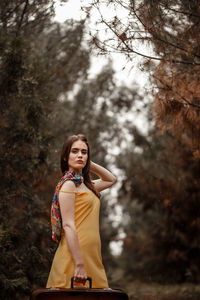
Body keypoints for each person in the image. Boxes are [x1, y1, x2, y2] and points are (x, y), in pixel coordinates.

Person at [46, 134, 117, 289]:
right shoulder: (69, 185)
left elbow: (111, 179)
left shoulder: (87, 185)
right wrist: (79, 264)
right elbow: (68, 226)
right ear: (65, 157)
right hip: (74, 259)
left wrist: (87, 163)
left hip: (92, 257)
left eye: (84, 152)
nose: (80, 155)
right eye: (75, 151)